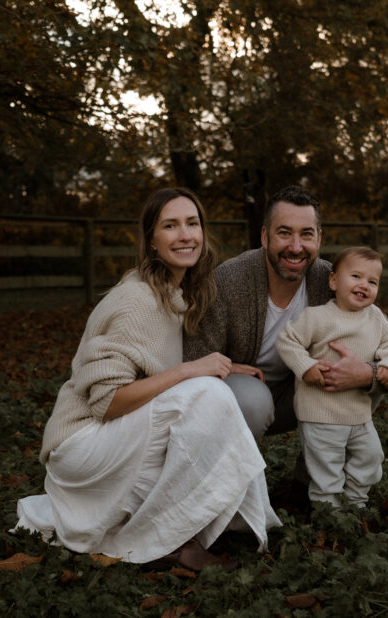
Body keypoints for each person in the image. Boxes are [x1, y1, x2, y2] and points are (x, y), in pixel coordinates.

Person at [15, 188, 280, 570]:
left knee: (207, 393)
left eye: (192, 223)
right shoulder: (136, 300)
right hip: (81, 445)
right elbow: (107, 404)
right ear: (152, 241)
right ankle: (179, 540)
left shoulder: (173, 295)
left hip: (115, 436)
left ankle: (191, 524)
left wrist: (220, 365)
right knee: (205, 393)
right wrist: (191, 371)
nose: (185, 235)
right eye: (170, 226)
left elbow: (156, 370)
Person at [183, 185, 388, 443]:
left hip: (305, 392)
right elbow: (192, 355)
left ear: (319, 238)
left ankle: (313, 476)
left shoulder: (334, 282)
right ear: (264, 237)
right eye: (284, 233)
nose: (296, 248)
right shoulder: (229, 280)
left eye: (306, 234)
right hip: (240, 394)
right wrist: (226, 367)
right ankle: (234, 476)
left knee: (373, 372)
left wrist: (367, 374)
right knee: (253, 400)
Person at [275, 246, 388, 508]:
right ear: (334, 281)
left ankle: (356, 502)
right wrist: (306, 366)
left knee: (371, 457)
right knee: (327, 467)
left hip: (358, 412)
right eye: (356, 277)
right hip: (320, 412)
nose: (364, 285)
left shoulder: (376, 317)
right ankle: (328, 514)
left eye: (372, 281)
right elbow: (287, 340)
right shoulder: (318, 317)